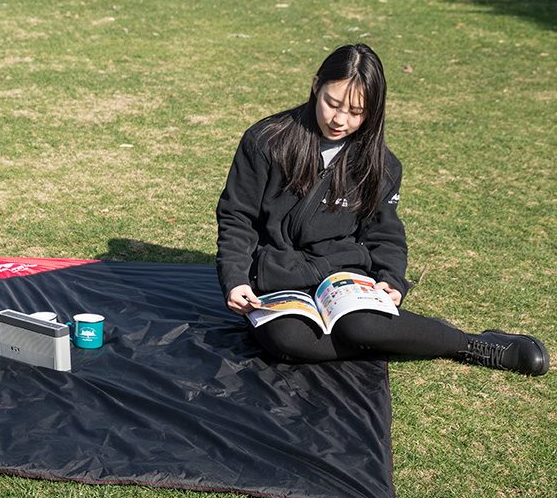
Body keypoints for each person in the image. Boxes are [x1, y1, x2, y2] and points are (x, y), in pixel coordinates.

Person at [216, 43, 549, 376]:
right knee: (289, 341)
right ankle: (403, 338)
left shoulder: (382, 166)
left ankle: (470, 343)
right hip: (279, 273)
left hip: (339, 272)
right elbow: (238, 215)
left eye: (356, 112)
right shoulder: (265, 140)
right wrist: (235, 278)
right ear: (316, 86)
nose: (339, 119)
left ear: (373, 111)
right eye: (332, 103)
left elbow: (384, 230)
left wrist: (391, 279)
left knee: (364, 327)